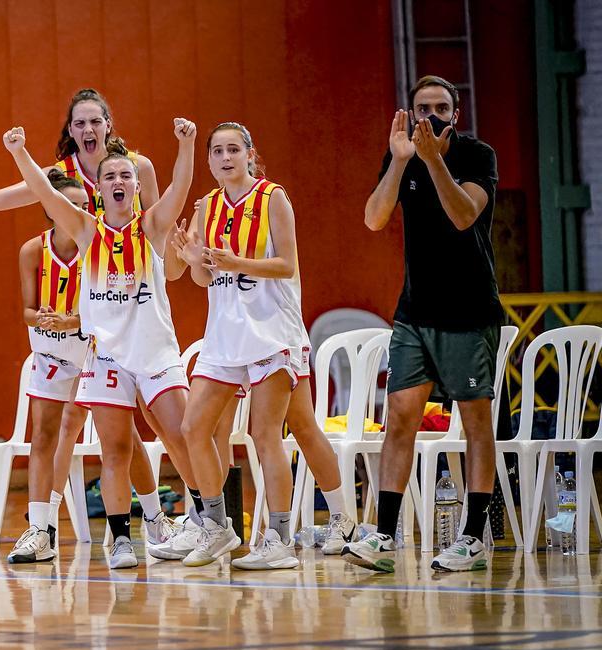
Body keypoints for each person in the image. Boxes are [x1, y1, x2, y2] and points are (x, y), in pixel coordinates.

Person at [0, 89, 189, 549]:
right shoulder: (55, 178)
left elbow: (158, 237)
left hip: (122, 317)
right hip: (72, 326)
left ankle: (169, 518)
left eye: (95, 121)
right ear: (70, 130)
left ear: (108, 126)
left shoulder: (134, 169)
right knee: (62, 427)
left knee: (143, 430)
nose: (87, 130)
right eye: (78, 123)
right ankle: (43, 528)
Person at [3, 117, 197, 569]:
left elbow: (179, 189)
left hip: (152, 350)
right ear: (100, 187)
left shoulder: (150, 226)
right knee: (115, 449)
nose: (117, 180)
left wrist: (185, 146)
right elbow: (45, 192)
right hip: (105, 353)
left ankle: (207, 521)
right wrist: (18, 153)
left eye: (124, 174)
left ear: (135, 182)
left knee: (182, 435)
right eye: (108, 175)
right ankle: (123, 540)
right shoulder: (88, 231)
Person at [169, 122, 357, 569]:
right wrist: (194, 260)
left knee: (269, 433)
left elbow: (287, 263)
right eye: (217, 151)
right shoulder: (205, 207)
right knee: (194, 427)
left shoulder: (273, 197)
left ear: (250, 154)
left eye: (234, 149)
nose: (225, 157)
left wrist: (238, 262)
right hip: (225, 335)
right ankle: (217, 525)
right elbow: (202, 277)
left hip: (272, 331)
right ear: (210, 160)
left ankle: (281, 539)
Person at [345, 75, 502, 573]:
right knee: (399, 419)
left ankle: (474, 537)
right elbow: (373, 218)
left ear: (456, 114)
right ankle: (385, 537)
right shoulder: (405, 153)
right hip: (414, 312)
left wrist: (433, 160)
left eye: (441, 107)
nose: (431, 116)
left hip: (468, 311)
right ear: (411, 114)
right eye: (422, 108)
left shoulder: (478, 156)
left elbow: (463, 216)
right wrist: (397, 160)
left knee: (476, 424)